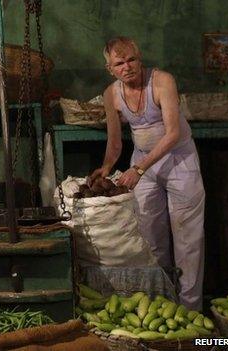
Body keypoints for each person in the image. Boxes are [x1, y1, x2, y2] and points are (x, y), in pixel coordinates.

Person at [90, 37, 205, 310]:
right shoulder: (112, 94)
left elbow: (173, 133)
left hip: (179, 160)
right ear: (110, 69)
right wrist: (106, 167)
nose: (127, 67)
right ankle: (162, 304)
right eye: (119, 63)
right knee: (151, 237)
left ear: (139, 58)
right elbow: (115, 141)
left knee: (187, 238)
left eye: (131, 60)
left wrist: (139, 169)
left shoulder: (162, 80)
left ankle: (190, 310)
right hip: (143, 163)